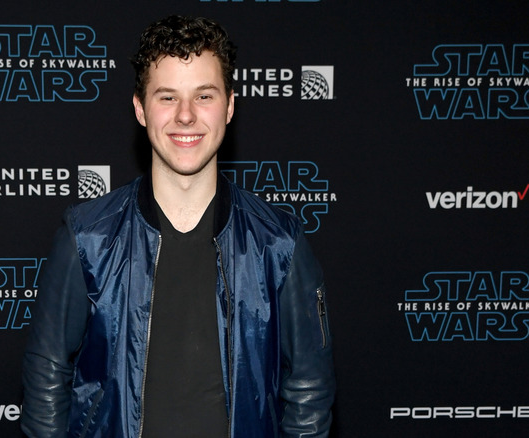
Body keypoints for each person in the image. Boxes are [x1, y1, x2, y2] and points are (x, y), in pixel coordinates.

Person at [21, 15, 335, 438]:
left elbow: (309, 390)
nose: (186, 116)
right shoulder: (88, 239)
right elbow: (47, 377)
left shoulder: (278, 242)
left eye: (203, 95)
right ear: (140, 108)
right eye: (167, 97)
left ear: (229, 105)